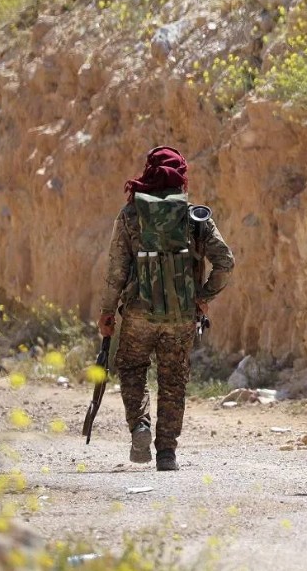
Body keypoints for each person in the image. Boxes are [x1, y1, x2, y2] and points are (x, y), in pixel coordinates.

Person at [98, 146, 234, 472]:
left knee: (132, 368)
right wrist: (202, 296)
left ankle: (140, 426)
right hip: (181, 315)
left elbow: (117, 270)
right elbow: (225, 262)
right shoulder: (195, 217)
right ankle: (167, 454)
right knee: (173, 380)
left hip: (138, 313)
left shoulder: (131, 215)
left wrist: (107, 311)